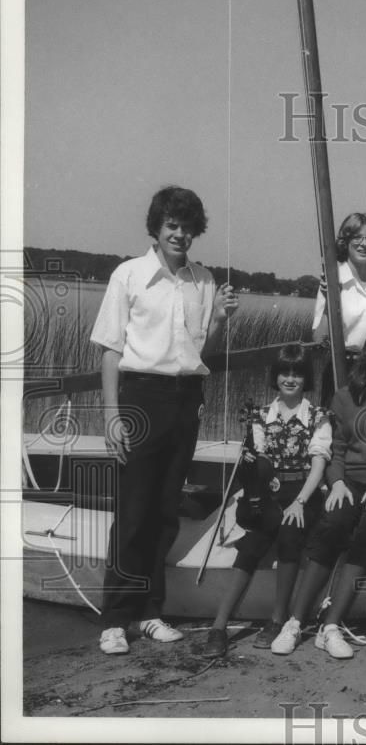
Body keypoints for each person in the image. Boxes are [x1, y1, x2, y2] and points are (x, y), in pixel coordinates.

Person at [90, 185, 238, 655]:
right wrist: (113, 415)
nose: (180, 234)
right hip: (140, 399)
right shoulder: (128, 275)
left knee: (164, 514)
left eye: (188, 227)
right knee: (133, 513)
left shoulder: (204, 280)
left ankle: (150, 612)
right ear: (155, 228)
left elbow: (201, 353)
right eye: (172, 225)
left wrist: (219, 321)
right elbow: (111, 352)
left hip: (185, 401)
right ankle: (115, 619)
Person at [270, 327, 366, 658]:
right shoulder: (345, 397)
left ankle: (330, 626)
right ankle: (294, 621)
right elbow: (336, 448)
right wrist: (335, 482)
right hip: (348, 480)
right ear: (365, 358)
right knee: (333, 523)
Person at [199, 344, 332, 658]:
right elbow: (257, 459)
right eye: (285, 372)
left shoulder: (318, 416)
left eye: (297, 374)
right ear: (276, 376)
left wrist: (299, 501)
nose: (290, 379)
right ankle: (219, 626)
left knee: (289, 535)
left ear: (306, 379)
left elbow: (318, 464)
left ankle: (277, 618)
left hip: (302, 493)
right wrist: (260, 478)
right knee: (252, 543)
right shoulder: (259, 415)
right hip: (267, 492)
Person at [312, 213, 366, 401]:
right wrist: (328, 300)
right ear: (345, 241)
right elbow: (318, 339)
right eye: (357, 237)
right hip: (341, 372)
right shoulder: (332, 282)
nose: (364, 244)